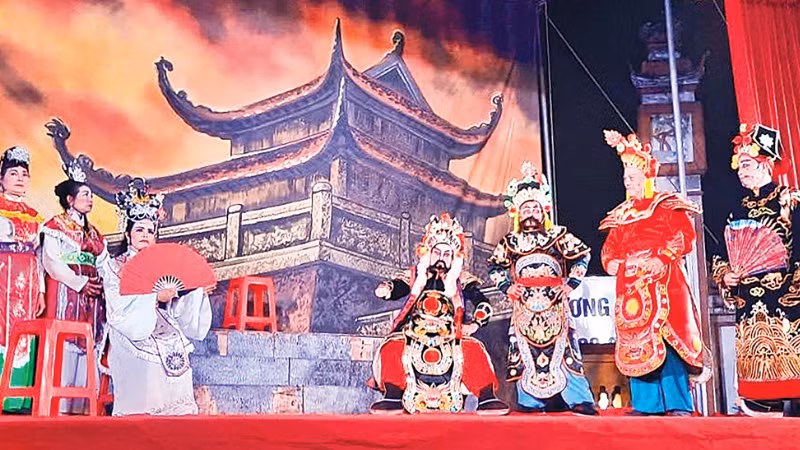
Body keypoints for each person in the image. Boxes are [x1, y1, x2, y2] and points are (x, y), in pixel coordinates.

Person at [599, 129, 707, 416]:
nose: (628, 183)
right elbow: (610, 247)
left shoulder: (667, 205)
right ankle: (647, 404)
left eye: (632, 178)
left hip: (665, 283)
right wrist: (610, 261)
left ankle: (677, 403)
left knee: (669, 340)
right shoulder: (621, 215)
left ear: (646, 176)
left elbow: (685, 236)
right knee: (637, 341)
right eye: (625, 179)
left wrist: (662, 257)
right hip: (632, 288)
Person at [369, 213, 508, 415]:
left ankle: (487, 397)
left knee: (474, 349)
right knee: (391, 347)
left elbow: (483, 304)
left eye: (447, 254)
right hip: (414, 330)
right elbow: (398, 287)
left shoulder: (461, 279)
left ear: (453, 257)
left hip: (449, 331)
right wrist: (388, 289)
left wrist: (474, 324)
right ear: (428, 253)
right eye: (437, 252)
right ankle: (393, 395)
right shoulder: (416, 274)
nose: (441, 258)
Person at [488, 162, 597, 415]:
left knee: (564, 349)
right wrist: (507, 286)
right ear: (517, 212)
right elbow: (495, 268)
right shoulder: (509, 242)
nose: (530, 213)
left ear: (543, 211)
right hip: (524, 304)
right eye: (525, 208)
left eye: (535, 208)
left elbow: (582, 256)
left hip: (554, 302)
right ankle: (530, 401)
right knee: (524, 350)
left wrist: (571, 283)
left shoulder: (558, 235)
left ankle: (578, 399)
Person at [97, 178, 212, 415]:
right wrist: (153, 298)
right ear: (128, 234)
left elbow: (176, 307)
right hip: (130, 329)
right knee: (148, 362)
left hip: (161, 324)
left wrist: (194, 292)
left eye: (150, 231)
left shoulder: (163, 265)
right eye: (139, 229)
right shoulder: (114, 266)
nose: (145, 235)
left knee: (176, 342)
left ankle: (175, 417)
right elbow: (118, 308)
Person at [711, 124, 800, 417]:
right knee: (754, 345)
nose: (741, 171)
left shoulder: (790, 200)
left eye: (747, 164)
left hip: (787, 290)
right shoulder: (736, 209)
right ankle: (762, 397)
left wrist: (793, 282)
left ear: (766, 164)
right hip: (748, 293)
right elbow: (722, 254)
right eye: (739, 166)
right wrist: (726, 275)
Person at [40, 160, 107, 414]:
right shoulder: (55, 227)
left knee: (87, 345)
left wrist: (100, 282)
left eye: (91, 195)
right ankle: (59, 406)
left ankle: (81, 407)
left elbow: (103, 261)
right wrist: (79, 283)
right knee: (66, 344)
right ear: (70, 199)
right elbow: (51, 262)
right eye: (85, 195)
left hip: (92, 295)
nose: (90, 199)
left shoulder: (95, 232)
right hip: (67, 291)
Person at [0, 147, 45, 413]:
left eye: (24, 174)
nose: (19, 178)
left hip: (27, 279)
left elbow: (38, 255)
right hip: (2, 274)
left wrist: (40, 290)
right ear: (2, 177)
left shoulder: (34, 214)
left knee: (24, 334)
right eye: (13, 173)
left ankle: (19, 398)